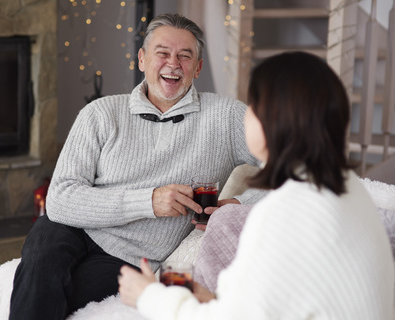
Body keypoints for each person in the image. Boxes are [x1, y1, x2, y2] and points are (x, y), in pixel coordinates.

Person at [9, 13, 262, 320]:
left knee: (50, 294)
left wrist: (237, 204)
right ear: (142, 59)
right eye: (162, 53)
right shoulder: (100, 113)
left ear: (198, 67)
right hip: (67, 228)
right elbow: (59, 199)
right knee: (39, 266)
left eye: (185, 56)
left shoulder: (226, 117)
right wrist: (149, 201)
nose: (173, 63)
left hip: (128, 256)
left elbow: (297, 168)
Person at [118, 51, 395, 319]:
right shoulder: (346, 188)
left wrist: (148, 296)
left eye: (251, 106)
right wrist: (204, 297)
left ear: (274, 120)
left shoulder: (283, 212)